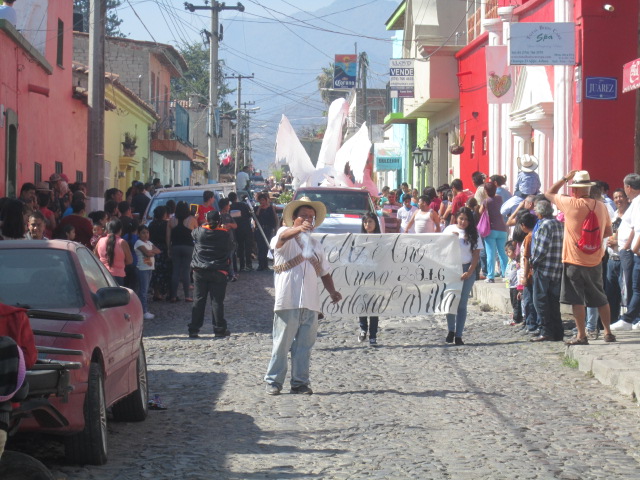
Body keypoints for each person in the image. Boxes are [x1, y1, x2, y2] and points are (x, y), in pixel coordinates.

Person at [264, 197, 342, 395]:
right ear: (294, 219)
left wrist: (332, 292)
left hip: (311, 303)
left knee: (304, 347)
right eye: (303, 216)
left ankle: (300, 382)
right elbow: (280, 241)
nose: (308, 220)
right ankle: (273, 381)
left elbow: (325, 272)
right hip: (287, 300)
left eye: (311, 217)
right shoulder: (284, 234)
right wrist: (298, 230)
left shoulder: (316, 245)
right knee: (281, 344)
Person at [545, 170, 616, 345]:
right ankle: (607, 332)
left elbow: (548, 193)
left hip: (574, 259)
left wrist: (565, 178)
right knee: (600, 297)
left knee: (577, 299)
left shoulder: (571, 204)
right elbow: (608, 232)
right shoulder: (601, 206)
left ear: (575, 189)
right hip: (595, 259)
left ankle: (581, 335)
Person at [188, 211, 233, 339]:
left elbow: (193, 232)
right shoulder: (224, 234)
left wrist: (197, 219)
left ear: (207, 220)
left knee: (199, 300)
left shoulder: (199, 232)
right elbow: (230, 246)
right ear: (219, 221)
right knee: (217, 301)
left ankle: (194, 329)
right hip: (219, 270)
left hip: (200, 270)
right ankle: (219, 329)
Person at [442, 207, 483, 345]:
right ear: (456, 218)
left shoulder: (474, 233)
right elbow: (439, 247)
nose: (463, 222)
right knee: (450, 300)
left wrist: (470, 271)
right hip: (451, 268)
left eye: (466, 219)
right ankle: (450, 330)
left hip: (467, 269)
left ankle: (459, 335)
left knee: (462, 303)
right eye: (461, 218)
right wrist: (449, 239)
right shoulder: (449, 230)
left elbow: (476, 254)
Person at [528, 200, 565, 342]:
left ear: (540, 212)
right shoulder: (558, 224)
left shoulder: (545, 225)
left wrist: (532, 262)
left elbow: (541, 249)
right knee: (553, 301)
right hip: (557, 267)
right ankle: (557, 331)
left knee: (540, 300)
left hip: (544, 268)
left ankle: (546, 330)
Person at [610, 174, 640, 331]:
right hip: (629, 251)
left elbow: (636, 228)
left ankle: (629, 318)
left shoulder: (637, 202)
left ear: (629, 187)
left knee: (634, 286)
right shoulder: (635, 202)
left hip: (633, 252)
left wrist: (630, 247)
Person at [358, 213, 382, 345]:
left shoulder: (381, 239)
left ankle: (373, 334)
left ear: (376, 223)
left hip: (376, 277)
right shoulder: (358, 239)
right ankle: (363, 329)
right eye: (365, 222)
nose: (367, 224)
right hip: (362, 276)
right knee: (361, 303)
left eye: (370, 222)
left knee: (374, 306)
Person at [479, 182, 509, 283]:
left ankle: (490, 276)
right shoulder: (500, 198)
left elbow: (480, 211)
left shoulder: (486, 201)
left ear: (486, 191)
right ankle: (505, 274)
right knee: (503, 253)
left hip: (491, 230)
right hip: (502, 228)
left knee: (490, 253)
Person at [168, 201, 196, 303]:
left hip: (175, 246)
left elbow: (168, 237)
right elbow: (197, 235)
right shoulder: (192, 220)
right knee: (186, 271)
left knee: (175, 271)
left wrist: (168, 248)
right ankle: (187, 296)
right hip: (188, 247)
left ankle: (173, 296)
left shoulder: (171, 221)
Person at [95, 218, 133, 286]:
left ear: (108, 230)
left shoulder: (100, 241)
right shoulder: (122, 242)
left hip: (103, 274)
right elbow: (130, 260)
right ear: (120, 230)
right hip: (118, 276)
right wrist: (120, 262)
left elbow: (95, 256)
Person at [135, 225, 161, 320]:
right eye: (143, 233)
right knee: (143, 291)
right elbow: (147, 253)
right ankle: (143, 311)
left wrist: (151, 252)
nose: (145, 235)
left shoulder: (149, 242)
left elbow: (158, 251)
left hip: (149, 268)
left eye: (147, 232)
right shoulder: (138, 243)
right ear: (138, 234)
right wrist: (151, 252)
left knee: (144, 290)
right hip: (142, 269)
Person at [149, 206, 171, 301]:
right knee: (164, 271)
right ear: (164, 214)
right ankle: (165, 292)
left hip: (153, 248)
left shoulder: (151, 224)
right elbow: (168, 237)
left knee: (155, 271)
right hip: (163, 248)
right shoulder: (167, 224)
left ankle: (156, 293)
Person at [229, 191, 253, 272]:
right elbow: (250, 214)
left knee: (240, 247)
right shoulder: (243, 205)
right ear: (236, 197)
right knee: (248, 247)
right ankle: (249, 264)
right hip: (246, 228)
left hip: (237, 230)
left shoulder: (230, 207)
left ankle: (242, 265)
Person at [254, 192, 279, 271]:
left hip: (268, 229)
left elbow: (275, 218)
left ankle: (265, 265)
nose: (262, 202)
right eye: (260, 200)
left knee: (266, 247)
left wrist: (275, 228)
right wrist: (259, 208)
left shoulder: (271, 208)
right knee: (260, 247)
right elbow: (256, 217)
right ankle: (261, 264)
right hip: (260, 230)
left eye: (263, 200)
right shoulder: (257, 208)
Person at [218, 198, 238, 281]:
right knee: (225, 259)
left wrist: (229, 224)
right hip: (222, 241)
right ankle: (228, 274)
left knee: (230, 258)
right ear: (225, 206)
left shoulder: (228, 215)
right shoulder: (218, 215)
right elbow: (221, 227)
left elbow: (235, 225)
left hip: (230, 240)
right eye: (228, 205)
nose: (229, 206)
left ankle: (231, 274)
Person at [504, 241, 522, 325]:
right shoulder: (510, 261)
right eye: (506, 252)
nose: (507, 253)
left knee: (516, 303)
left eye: (509, 252)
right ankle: (516, 316)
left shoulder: (516, 262)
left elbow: (515, 273)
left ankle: (517, 318)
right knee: (513, 302)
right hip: (510, 285)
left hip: (515, 285)